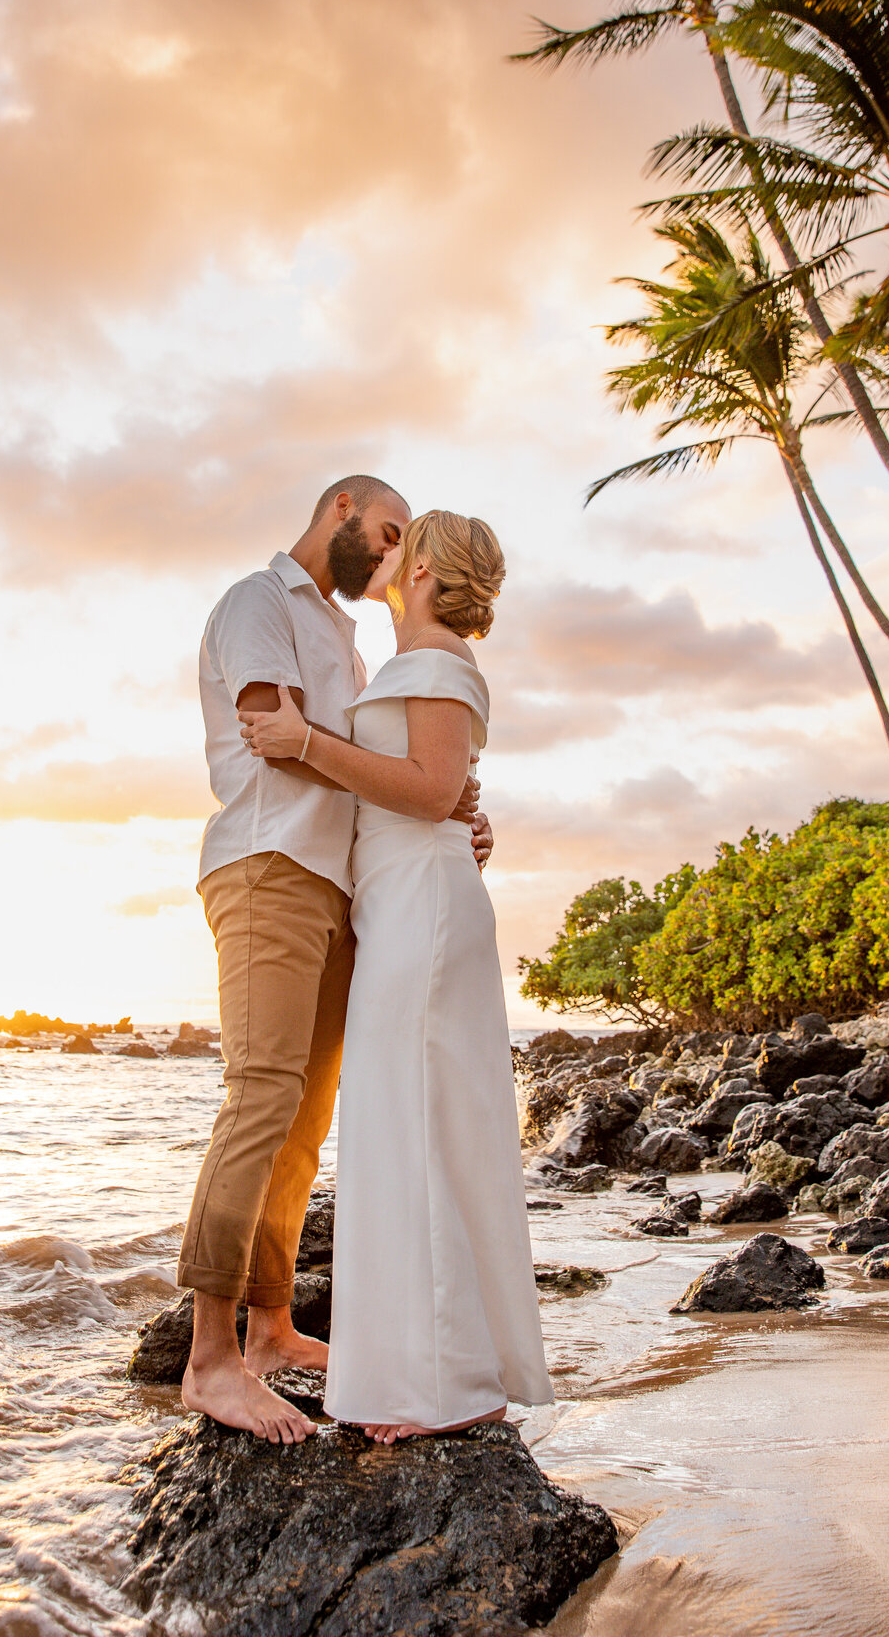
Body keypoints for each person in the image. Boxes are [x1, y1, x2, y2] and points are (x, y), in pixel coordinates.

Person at [177, 476, 490, 1446]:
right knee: (261, 1095)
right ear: (342, 507)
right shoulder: (258, 602)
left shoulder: (352, 648)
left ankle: (270, 1329)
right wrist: (407, 780)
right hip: (266, 866)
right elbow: (274, 734)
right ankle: (209, 1360)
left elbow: (374, 778)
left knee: (306, 1121)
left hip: (340, 889)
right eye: (387, 533)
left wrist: (444, 809)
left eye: (406, 545)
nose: (393, 557)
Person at [242, 509, 553, 1443]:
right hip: (405, 903)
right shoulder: (422, 666)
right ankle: (450, 1372)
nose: (384, 556)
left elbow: (423, 787)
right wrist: (455, 813)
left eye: (400, 545)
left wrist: (304, 744)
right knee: (413, 1127)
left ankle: (444, 1389)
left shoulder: (438, 663)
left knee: (411, 1128)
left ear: (421, 573)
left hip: (421, 912)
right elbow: (432, 791)